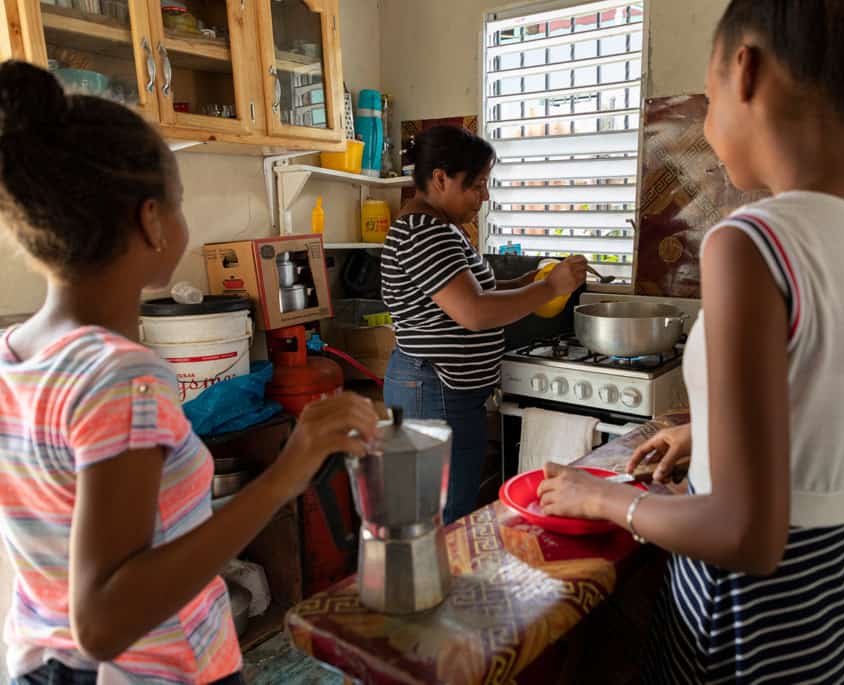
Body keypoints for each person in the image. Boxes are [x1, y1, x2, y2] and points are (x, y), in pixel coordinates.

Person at [537, 1, 844, 682]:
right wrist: (711, 433)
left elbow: (746, 536)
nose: (706, 121)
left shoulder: (751, 242)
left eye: (707, 95)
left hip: (754, 617)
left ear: (746, 69)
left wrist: (601, 498)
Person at [0, 61, 379, 684]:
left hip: (41, 662)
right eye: (179, 203)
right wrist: (289, 470)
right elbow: (104, 621)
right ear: (150, 220)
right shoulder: (120, 378)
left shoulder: (16, 351)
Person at [381, 125, 586, 524]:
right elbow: (473, 311)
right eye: (477, 185)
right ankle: (436, 586)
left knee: (444, 510)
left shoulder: (439, 230)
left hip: (441, 390)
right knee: (442, 516)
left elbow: (476, 292)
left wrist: (531, 282)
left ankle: (442, 583)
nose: (485, 196)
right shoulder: (424, 234)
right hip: (434, 391)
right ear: (440, 179)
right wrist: (548, 288)